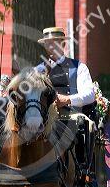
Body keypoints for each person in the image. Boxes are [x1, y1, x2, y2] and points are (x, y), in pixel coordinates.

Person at [35, 26, 96, 168]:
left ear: (63, 43)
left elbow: (90, 95)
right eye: (48, 43)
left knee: (89, 126)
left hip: (71, 115)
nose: (51, 46)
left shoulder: (79, 67)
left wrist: (67, 99)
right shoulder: (37, 71)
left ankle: (84, 169)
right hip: (45, 117)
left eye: (55, 42)